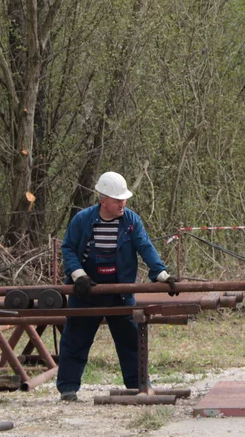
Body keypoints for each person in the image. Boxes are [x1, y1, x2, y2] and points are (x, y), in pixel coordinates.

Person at [57, 171, 178, 401]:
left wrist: (161, 274)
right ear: (103, 200)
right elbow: (69, 248)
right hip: (86, 291)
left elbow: (145, 247)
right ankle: (68, 389)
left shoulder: (131, 221)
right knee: (75, 340)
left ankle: (138, 386)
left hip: (121, 293)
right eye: (117, 199)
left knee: (131, 341)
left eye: (124, 199)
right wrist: (79, 275)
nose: (123, 203)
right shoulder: (82, 220)